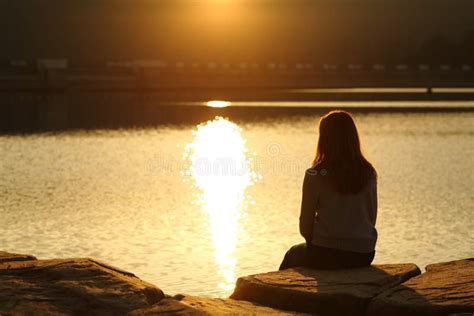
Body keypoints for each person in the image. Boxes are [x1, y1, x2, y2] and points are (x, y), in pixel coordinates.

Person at [279, 110, 378, 270]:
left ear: (324, 139)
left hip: (326, 253)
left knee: (292, 254)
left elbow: (305, 227)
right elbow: (371, 218)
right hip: (363, 254)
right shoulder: (368, 172)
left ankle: (275, 293)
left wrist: (320, 241)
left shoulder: (315, 174)